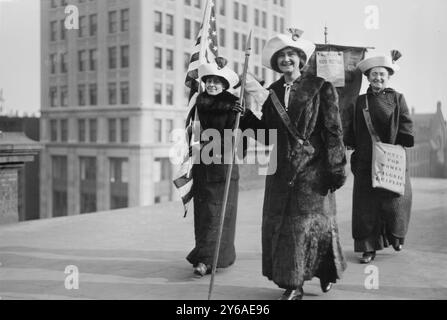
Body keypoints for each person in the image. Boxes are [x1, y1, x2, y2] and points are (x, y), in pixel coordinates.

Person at [237, 31, 347, 300]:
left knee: (314, 226)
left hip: (313, 168)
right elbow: (269, 134)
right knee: (286, 227)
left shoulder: (321, 87)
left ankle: (324, 272)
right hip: (281, 170)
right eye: (281, 56)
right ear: (276, 63)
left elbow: (333, 130)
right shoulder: (273, 92)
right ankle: (293, 282)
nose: (286, 59)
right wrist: (247, 118)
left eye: (291, 55)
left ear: (300, 59)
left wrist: (335, 167)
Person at [344, 51, 414, 264]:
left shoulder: (397, 98)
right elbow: (350, 128)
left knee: (396, 201)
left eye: (382, 74)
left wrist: (402, 144)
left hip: (392, 158)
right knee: (366, 206)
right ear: (367, 77)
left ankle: (396, 235)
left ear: (389, 76)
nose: (378, 79)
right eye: (374, 75)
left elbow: (405, 123)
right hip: (366, 159)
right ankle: (368, 247)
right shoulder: (360, 102)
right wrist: (350, 144)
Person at [185, 57, 242, 277]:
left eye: (217, 81)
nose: (211, 85)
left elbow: (247, 133)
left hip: (222, 166)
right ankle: (204, 255)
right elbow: (192, 131)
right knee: (204, 214)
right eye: (208, 80)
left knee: (219, 214)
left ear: (225, 85)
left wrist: (240, 114)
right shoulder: (198, 103)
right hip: (202, 165)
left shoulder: (233, 106)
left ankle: (209, 260)